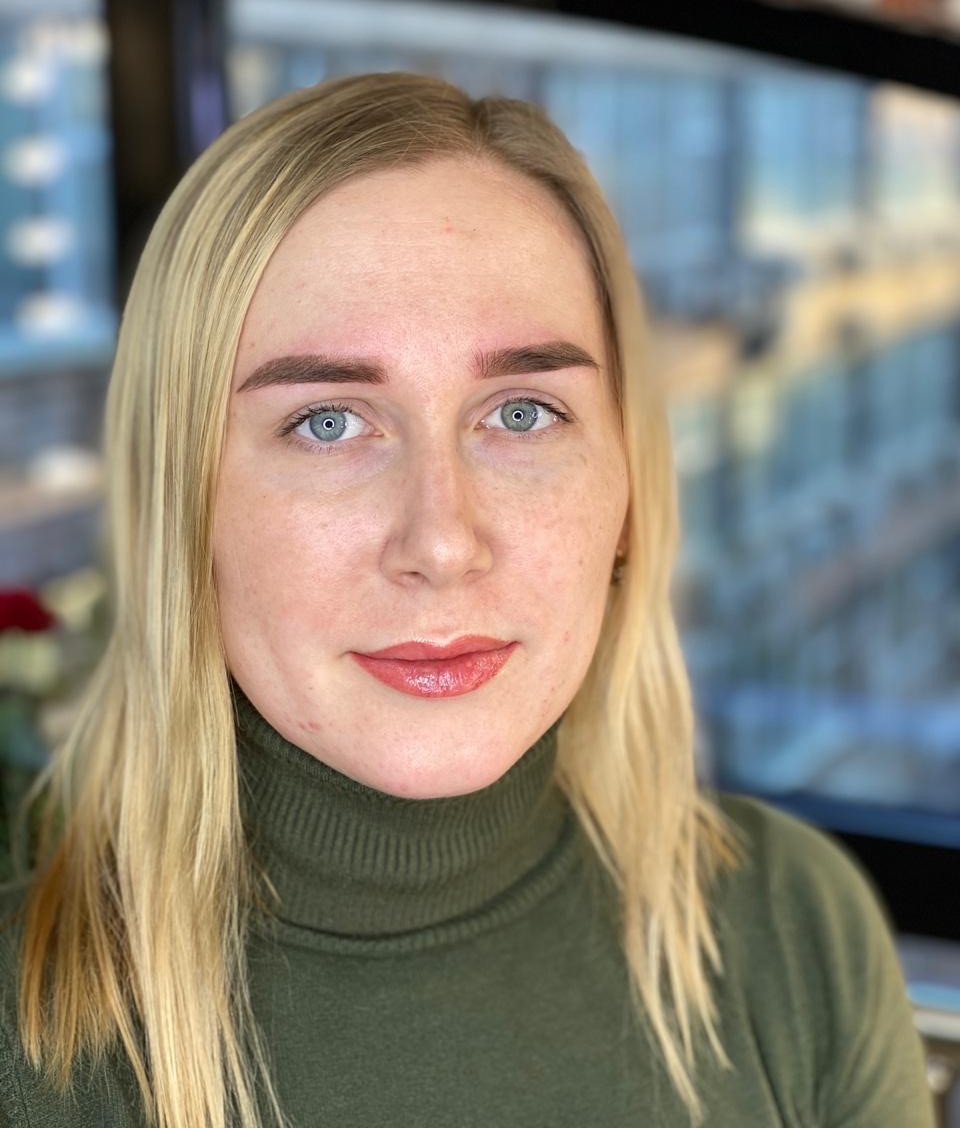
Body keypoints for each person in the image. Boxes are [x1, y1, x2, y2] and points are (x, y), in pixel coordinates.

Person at [0, 71, 935, 1128]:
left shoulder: (793, 927)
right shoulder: (21, 1054)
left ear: (628, 494)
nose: (443, 543)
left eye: (522, 412)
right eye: (328, 423)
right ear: (184, 511)